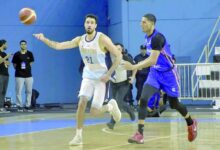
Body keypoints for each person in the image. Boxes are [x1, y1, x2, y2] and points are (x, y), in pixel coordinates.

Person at [33, 14, 122, 146]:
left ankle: (110, 106)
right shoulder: (80, 40)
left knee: (94, 112)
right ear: (84, 24)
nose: (89, 24)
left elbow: (118, 55)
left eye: (92, 22)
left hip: (101, 78)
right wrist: (44, 39)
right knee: (81, 104)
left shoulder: (102, 39)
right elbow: (58, 46)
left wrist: (109, 74)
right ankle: (78, 136)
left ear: (96, 25)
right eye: (87, 22)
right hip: (88, 76)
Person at [123, 13, 197, 144]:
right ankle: (140, 134)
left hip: (169, 75)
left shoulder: (157, 38)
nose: (141, 24)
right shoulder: (146, 37)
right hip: (155, 74)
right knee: (143, 99)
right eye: (141, 21)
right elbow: (153, 63)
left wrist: (134, 65)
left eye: (144, 22)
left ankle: (191, 123)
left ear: (152, 23)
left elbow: (152, 60)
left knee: (174, 104)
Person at [106, 43, 136, 130]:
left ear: (122, 50)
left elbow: (135, 67)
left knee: (118, 102)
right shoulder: (109, 58)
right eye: (116, 49)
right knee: (114, 102)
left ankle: (112, 122)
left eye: (119, 49)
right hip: (113, 83)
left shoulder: (126, 58)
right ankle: (129, 109)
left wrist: (133, 76)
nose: (117, 50)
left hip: (124, 83)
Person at [12, 40, 34, 112]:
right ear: (20, 45)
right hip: (19, 76)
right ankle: (19, 106)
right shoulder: (16, 54)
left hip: (29, 76)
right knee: (18, 91)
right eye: (22, 44)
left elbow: (31, 62)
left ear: (26, 45)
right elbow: (14, 64)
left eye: (24, 44)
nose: (23, 45)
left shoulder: (30, 54)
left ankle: (28, 105)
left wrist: (27, 68)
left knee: (29, 91)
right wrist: (19, 70)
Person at [0, 39, 12, 113]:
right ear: (2, 44)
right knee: (0, 91)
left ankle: (1, 107)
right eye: (6, 44)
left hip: (6, 74)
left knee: (4, 92)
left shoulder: (4, 54)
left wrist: (7, 61)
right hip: (0, 74)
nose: (7, 45)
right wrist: (6, 58)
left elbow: (7, 64)